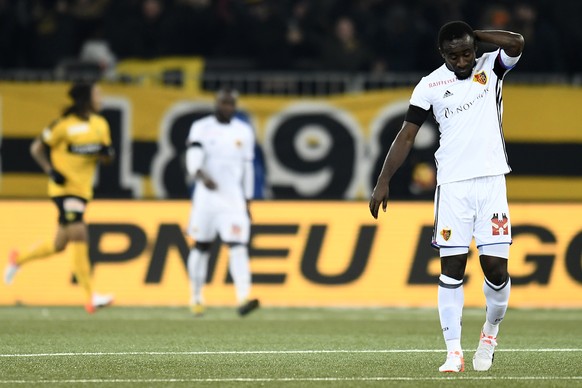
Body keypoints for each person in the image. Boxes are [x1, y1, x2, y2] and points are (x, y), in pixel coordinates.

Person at [369, 21, 524, 373]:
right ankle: (453, 352)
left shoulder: (492, 68)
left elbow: (516, 42)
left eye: (466, 52)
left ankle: (490, 332)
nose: (462, 60)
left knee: (496, 270)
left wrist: (475, 36)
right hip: (453, 186)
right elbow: (406, 136)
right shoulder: (429, 85)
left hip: (491, 182)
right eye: (453, 55)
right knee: (452, 269)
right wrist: (383, 180)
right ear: (443, 55)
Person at [4, 82, 115, 314]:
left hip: (83, 191)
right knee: (79, 232)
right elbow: (36, 147)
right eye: (97, 94)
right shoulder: (63, 126)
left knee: (59, 244)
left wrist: (107, 155)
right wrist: (50, 170)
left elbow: (106, 156)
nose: (101, 97)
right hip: (63, 190)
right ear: (86, 99)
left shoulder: (100, 125)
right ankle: (90, 296)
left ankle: (18, 258)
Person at [185, 88, 259, 317]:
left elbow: (247, 168)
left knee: (237, 246)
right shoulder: (201, 127)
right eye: (224, 103)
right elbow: (193, 154)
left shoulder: (244, 131)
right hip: (206, 199)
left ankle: (243, 297)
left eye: (232, 104)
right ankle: (196, 297)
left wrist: (247, 200)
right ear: (216, 103)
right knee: (201, 246)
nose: (228, 107)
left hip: (233, 199)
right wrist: (199, 173)